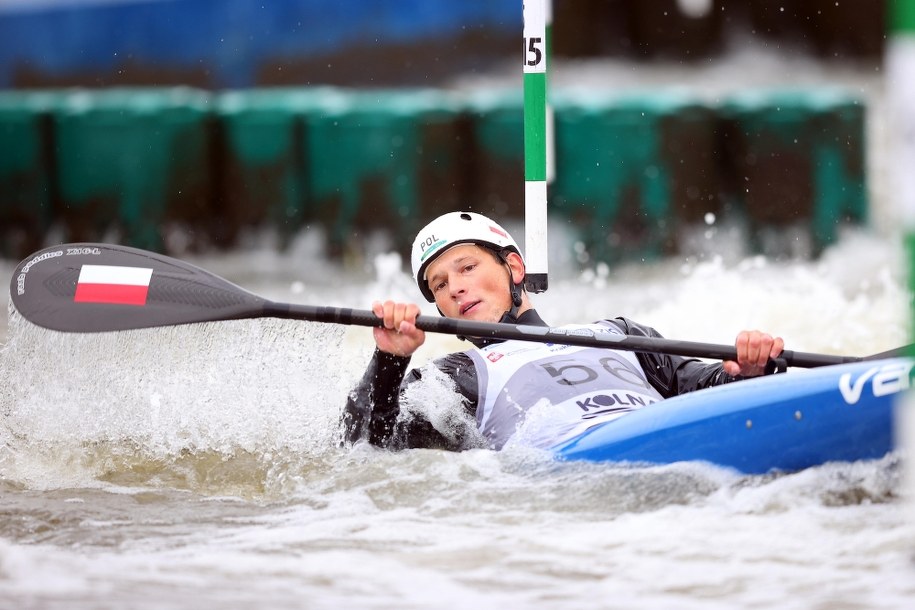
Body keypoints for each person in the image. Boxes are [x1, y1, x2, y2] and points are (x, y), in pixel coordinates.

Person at [343, 211, 785, 452]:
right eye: (439, 285)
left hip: (667, 434)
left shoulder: (620, 332)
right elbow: (366, 447)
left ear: (513, 267)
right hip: (573, 473)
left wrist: (747, 372)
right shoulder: (455, 376)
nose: (455, 287)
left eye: (468, 267)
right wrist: (391, 359)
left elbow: (704, 389)